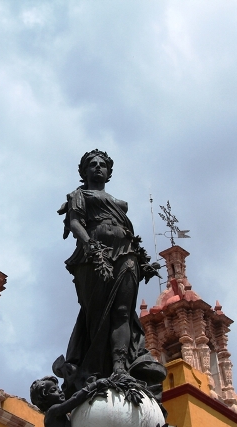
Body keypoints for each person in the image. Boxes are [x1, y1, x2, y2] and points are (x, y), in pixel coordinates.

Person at [54, 149, 166, 403]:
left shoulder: (116, 201)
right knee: (96, 315)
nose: (97, 167)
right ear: (83, 172)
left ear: (108, 171)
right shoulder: (78, 195)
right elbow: (75, 223)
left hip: (126, 252)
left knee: (123, 312)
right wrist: (90, 246)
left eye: (102, 164)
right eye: (91, 164)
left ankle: (119, 367)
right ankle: (93, 369)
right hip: (94, 256)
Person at [30, 375, 109, 427]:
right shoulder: (52, 412)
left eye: (58, 388)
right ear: (44, 399)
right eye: (53, 390)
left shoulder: (65, 415)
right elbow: (74, 399)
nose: (60, 391)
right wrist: (94, 385)